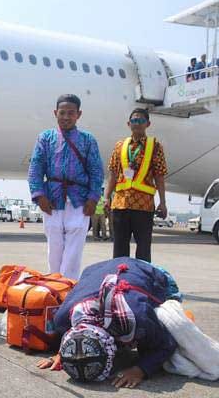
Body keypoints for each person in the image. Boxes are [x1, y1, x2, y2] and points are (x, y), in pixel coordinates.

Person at [37, 258, 178, 389]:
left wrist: (140, 369)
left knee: (175, 324)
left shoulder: (138, 319)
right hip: (99, 268)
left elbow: (167, 344)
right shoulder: (62, 319)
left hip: (148, 269)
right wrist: (67, 353)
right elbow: (76, 337)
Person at [28, 94, 104, 280]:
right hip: (52, 200)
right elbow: (35, 168)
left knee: (74, 250)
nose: (66, 117)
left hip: (80, 201)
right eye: (62, 113)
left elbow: (96, 171)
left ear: (79, 114)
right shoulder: (45, 138)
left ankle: (67, 287)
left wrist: (93, 199)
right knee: (54, 248)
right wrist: (39, 196)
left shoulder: (88, 140)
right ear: (55, 113)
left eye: (71, 113)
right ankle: (54, 284)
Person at [104, 108, 168, 263]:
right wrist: (106, 197)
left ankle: (141, 283)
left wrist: (163, 202)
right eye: (134, 120)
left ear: (148, 124)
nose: (137, 124)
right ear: (128, 123)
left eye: (141, 121)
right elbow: (113, 174)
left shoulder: (155, 146)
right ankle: (120, 282)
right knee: (119, 249)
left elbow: (159, 175)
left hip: (144, 206)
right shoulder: (120, 146)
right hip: (120, 204)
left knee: (143, 250)